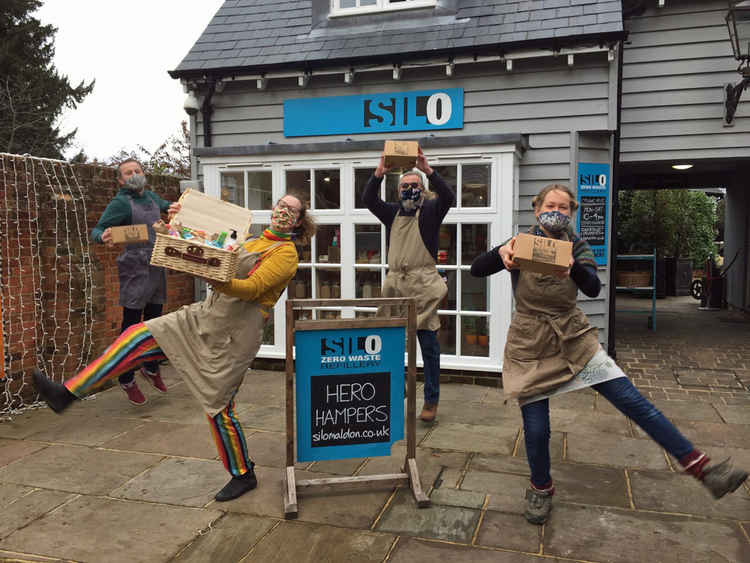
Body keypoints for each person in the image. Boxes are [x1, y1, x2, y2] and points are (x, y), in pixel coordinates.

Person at [470, 183, 748, 525]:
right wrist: (500, 256)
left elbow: (592, 287)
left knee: (633, 402)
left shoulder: (578, 245)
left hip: (574, 338)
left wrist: (572, 267)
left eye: (564, 207)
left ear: (571, 213)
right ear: (537, 208)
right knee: (537, 428)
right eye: (550, 205)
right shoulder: (519, 243)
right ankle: (541, 488)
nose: (556, 212)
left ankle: (703, 469)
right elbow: (476, 269)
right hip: (531, 343)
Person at [33, 193, 316, 502]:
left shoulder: (286, 254)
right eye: (280, 205)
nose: (282, 212)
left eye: (291, 210)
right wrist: (176, 228)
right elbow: (211, 249)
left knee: (218, 407)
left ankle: (243, 474)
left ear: (299, 221)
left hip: (234, 336)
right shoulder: (250, 240)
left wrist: (216, 277)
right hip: (205, 317)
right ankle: (67, 393)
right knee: (138, 336)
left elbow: (253, 289)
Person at [363, 148, 455, 422]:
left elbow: (449, 197)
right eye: (404, 186)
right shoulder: (391, 213)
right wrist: (380, 172)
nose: (410, 189)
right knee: (389, 342)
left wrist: (428, 170)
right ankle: (396, 390)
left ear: (423, 189)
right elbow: (368, 199)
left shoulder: (431, 211)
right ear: (398, 190)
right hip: (395, 284)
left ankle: (431, 399)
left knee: (428, 346)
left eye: (414, 186)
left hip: (423, 284)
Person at [92, 158, 175, 405]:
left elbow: (167, 205)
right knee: (131, 326)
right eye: (128, 173)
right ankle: (126, 378)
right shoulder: (120, 203)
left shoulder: (150, 197)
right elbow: (97, 230)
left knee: (154, 323)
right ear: (120, 180)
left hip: (156, 265)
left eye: (137, 170)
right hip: (135, 269)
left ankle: (150, 368)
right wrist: (102, 236)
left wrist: (175, 207)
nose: (134, 174)